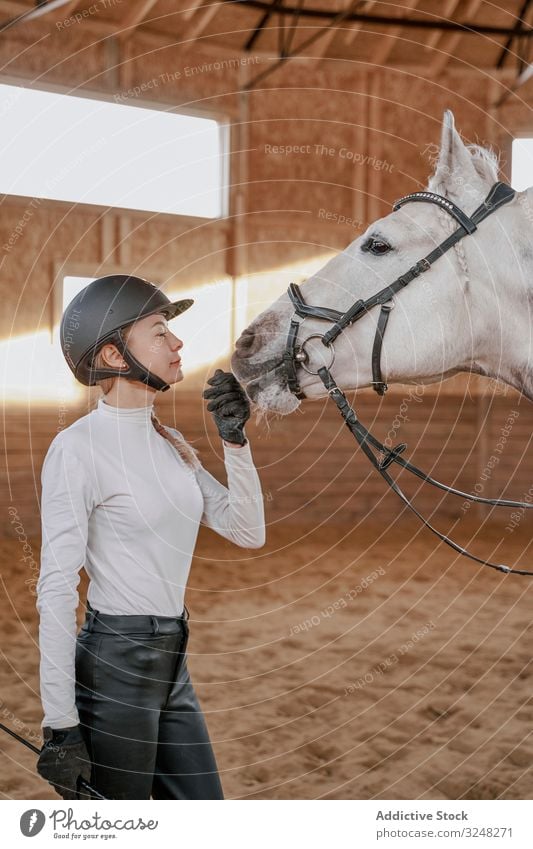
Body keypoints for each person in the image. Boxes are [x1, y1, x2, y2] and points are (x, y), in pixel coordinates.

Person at [35, 274, 265, 800]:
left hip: (171, 663)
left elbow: (246, 531)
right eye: (160, 331)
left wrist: (235, 443)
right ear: (115, 356)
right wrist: (60, 725)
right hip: (114, 668)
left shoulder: (170, 442)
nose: (177, 342)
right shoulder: (77, 449)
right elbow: (55, 589)